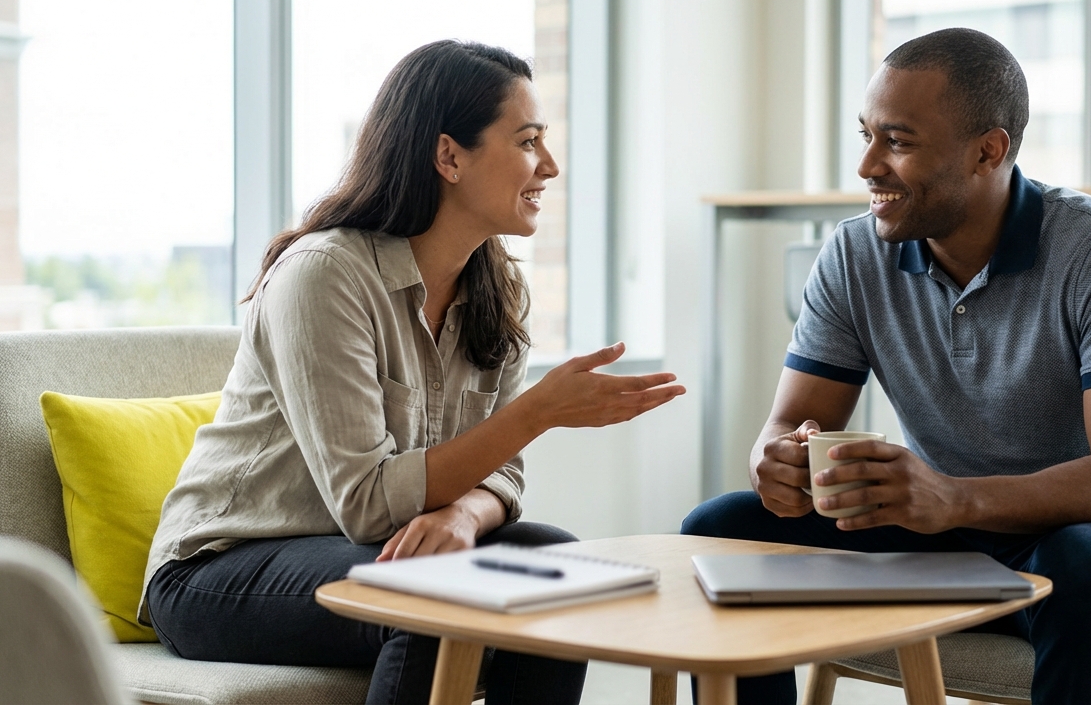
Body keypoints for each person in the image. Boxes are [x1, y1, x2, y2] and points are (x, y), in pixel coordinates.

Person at [141, 40, 686, 705]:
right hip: (221, 570)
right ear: (449, 155)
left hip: (365, 554)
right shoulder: (325, 276)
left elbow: (502, 473)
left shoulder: (498, 288)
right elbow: (368, 505)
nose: (550, 166)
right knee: (433, 595)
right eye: (528, 142)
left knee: (559, 562)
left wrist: (465, 514)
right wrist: (537, 411)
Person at [681, 28, 1091, 705]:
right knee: (723, 528)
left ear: (988, 150)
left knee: (1087, 564)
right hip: (950, 536)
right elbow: (791, 420)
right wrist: (774, 463)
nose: (868, 166)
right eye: (865, 135)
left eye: (896, 142)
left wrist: (955, 497)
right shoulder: (853, 255)